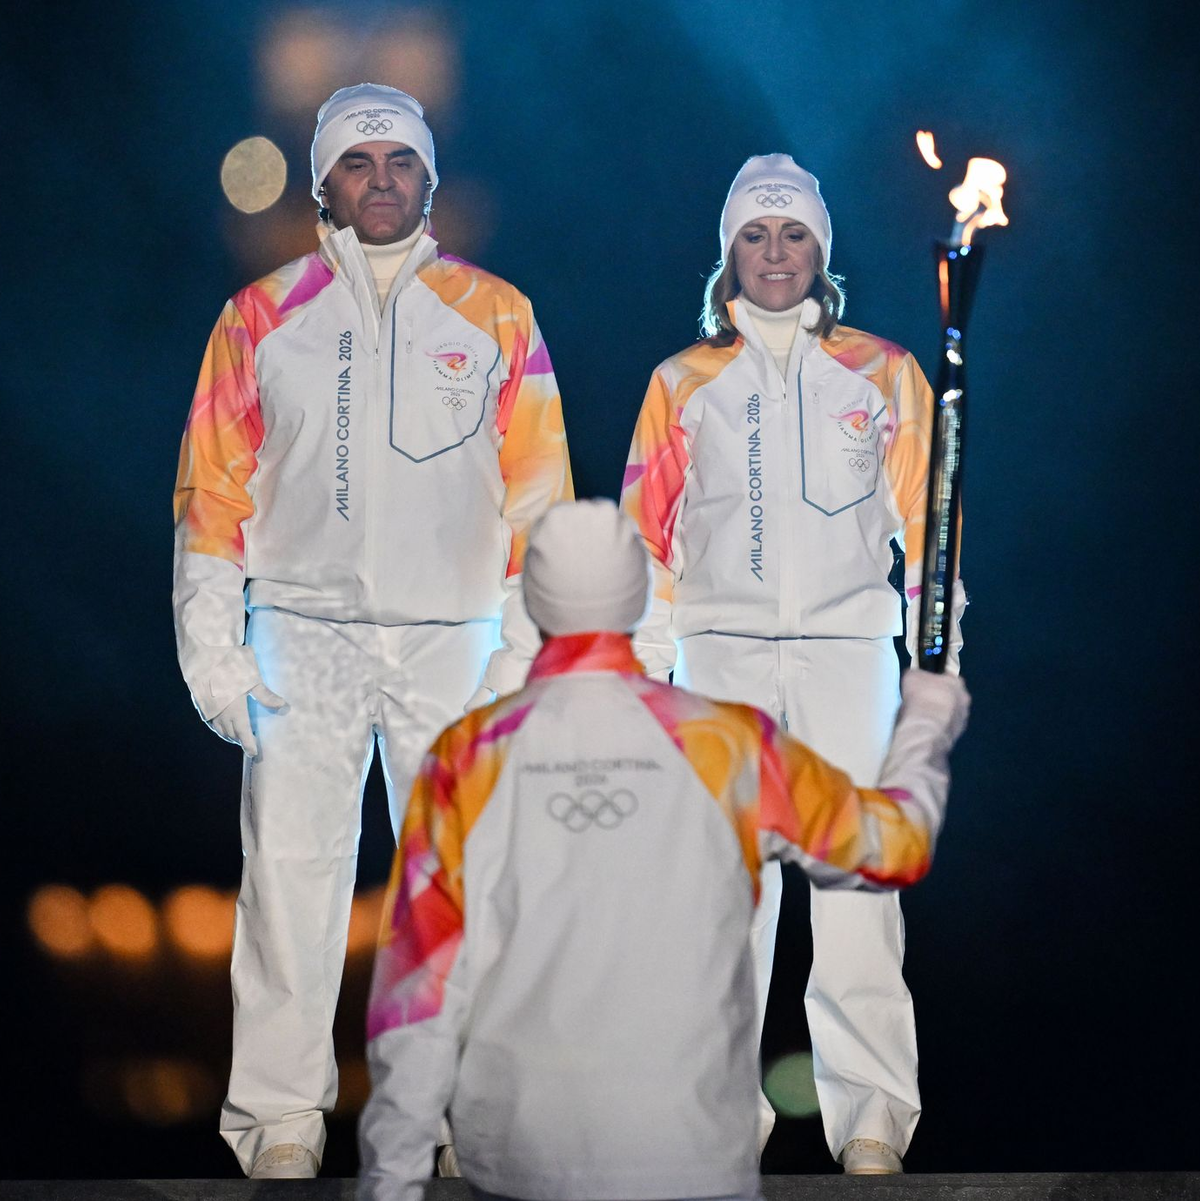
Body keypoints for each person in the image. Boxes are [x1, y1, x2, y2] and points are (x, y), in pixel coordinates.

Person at [172, 83, 572, 1179]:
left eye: (403, 161)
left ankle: (458, 1118)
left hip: (455, 638)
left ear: (430, 180)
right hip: (302, 633)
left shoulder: (498, 315)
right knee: (290, 879)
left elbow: (540, 501)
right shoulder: (261, 316)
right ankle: (281, 1124)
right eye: (360, 162)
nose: (383, 178)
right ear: (325, 185)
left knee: (461, 885)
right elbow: (213, 494)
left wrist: (522, 652)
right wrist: (215, 650)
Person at [356, 499, 969, 1201]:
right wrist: (924, 720)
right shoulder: (727, 743)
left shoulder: (466, 757)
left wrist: (391, 1183)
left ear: (531, 601)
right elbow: (895, 847)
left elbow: (417, 994)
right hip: (691, 1159)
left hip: (520, 1162)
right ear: (643, 597)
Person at [619, 154, 967, 1173]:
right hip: (717, 662)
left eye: (795, 234)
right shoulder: (682, 383)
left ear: (823, 250)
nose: (776, 253)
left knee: (859, 888)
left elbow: (929, 529)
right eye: (756, 235)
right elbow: (648, 545)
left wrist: (938, 661)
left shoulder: (886, 371)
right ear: (729, 252)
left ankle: (870, 1119)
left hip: (849, 654)